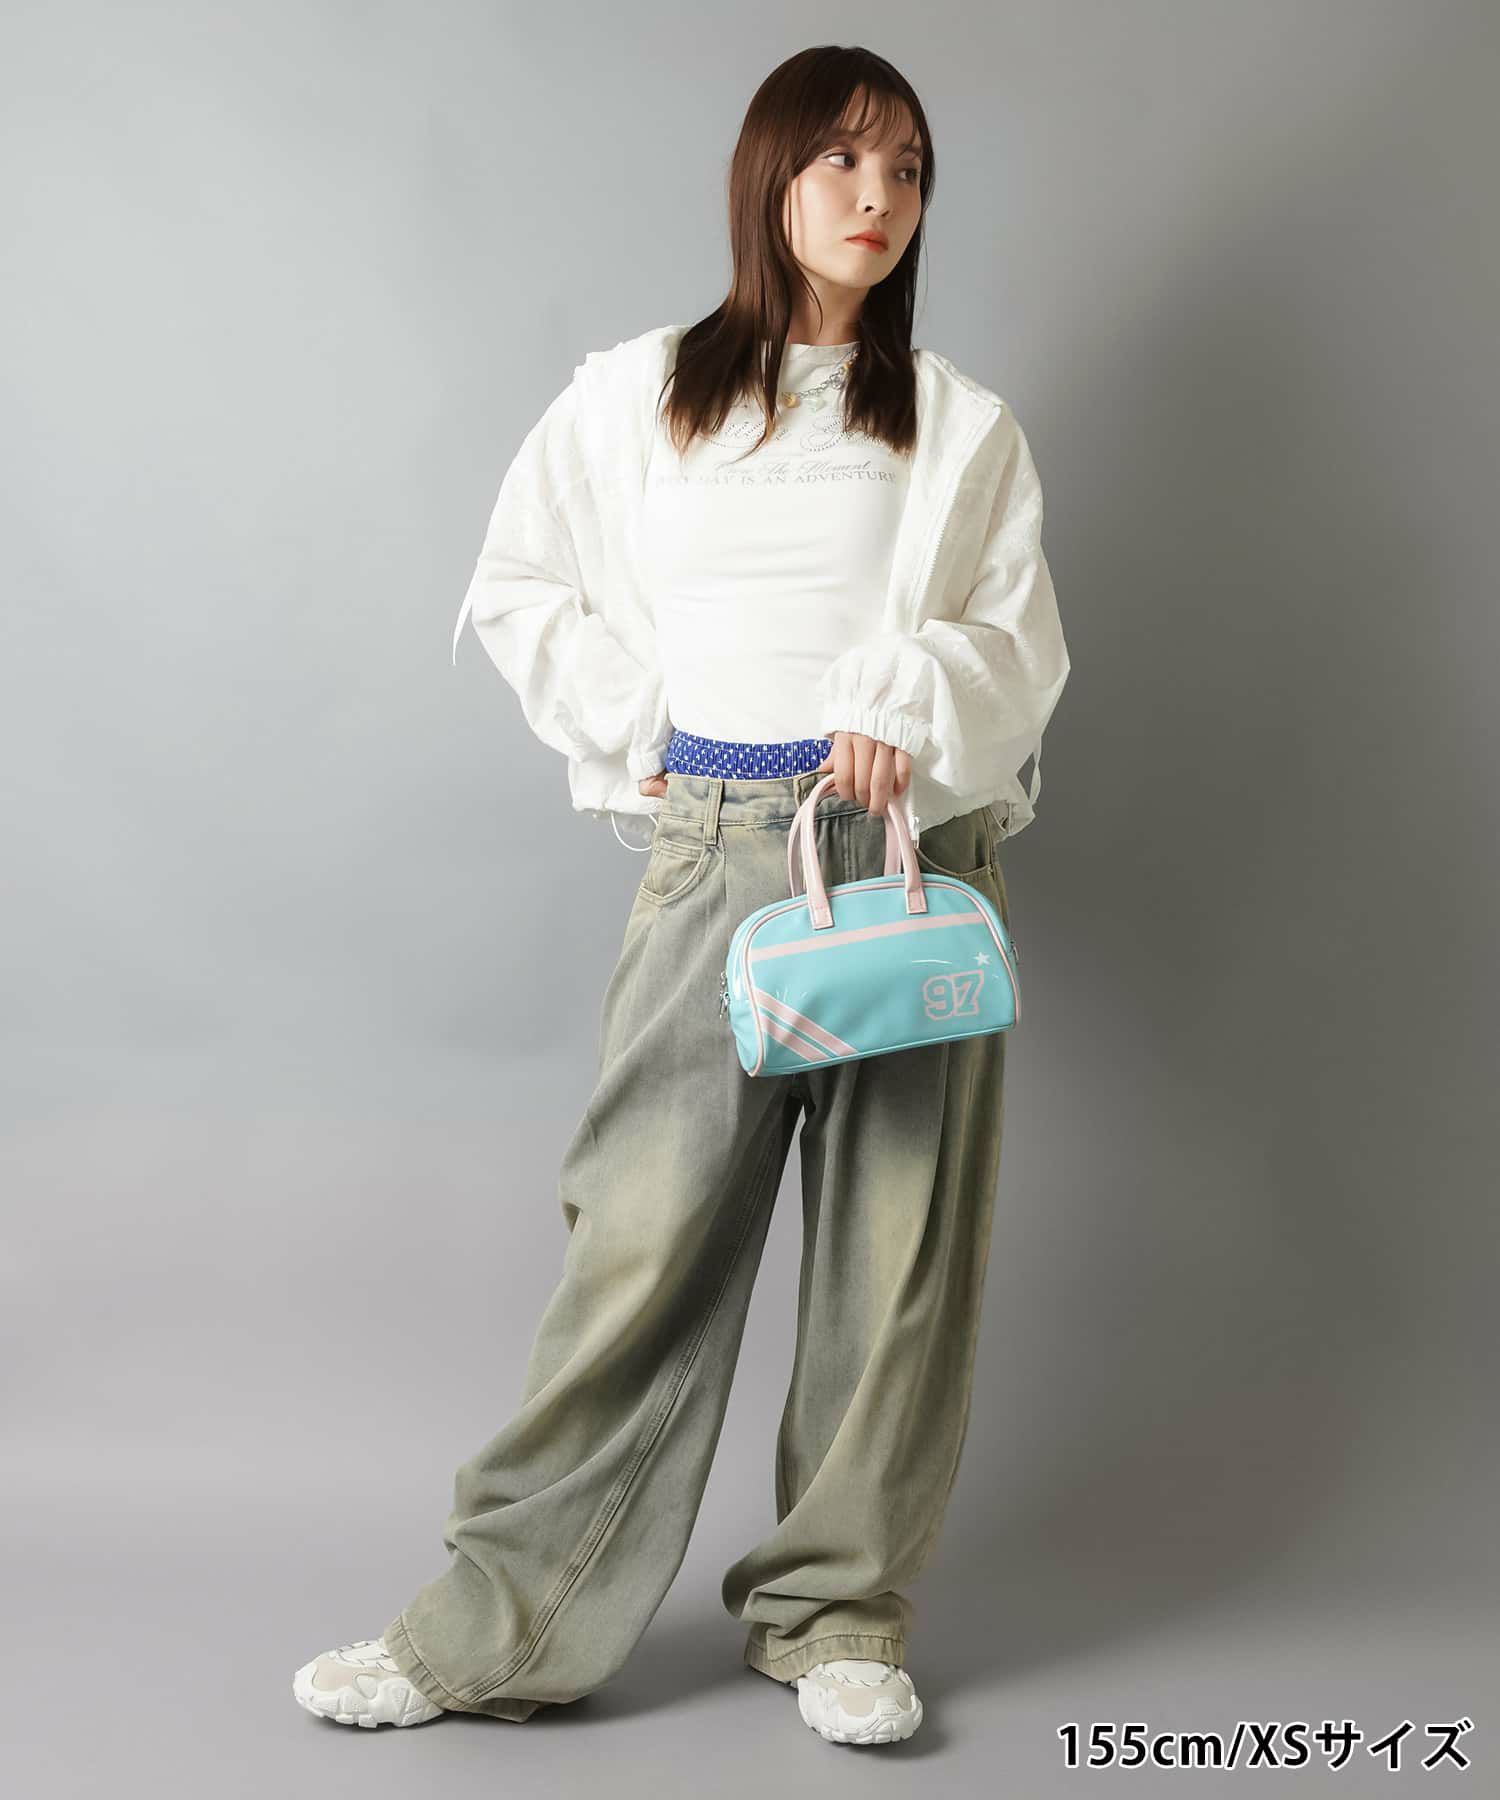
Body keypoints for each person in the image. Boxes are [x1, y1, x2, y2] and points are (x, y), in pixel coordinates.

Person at [293, 43, 1069, 1748]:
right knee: (640, 1242)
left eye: (909, 170)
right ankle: (501, 1625)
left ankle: (838, 1614)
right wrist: (643, 729)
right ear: (769, 176)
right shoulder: (638, 395)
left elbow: (1019, 646)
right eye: (844, 161)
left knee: (897, 1257)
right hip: (720, 848)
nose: (879, 198)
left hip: (904, 859)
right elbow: (523, 585)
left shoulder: (959, 425)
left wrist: (912, 694)